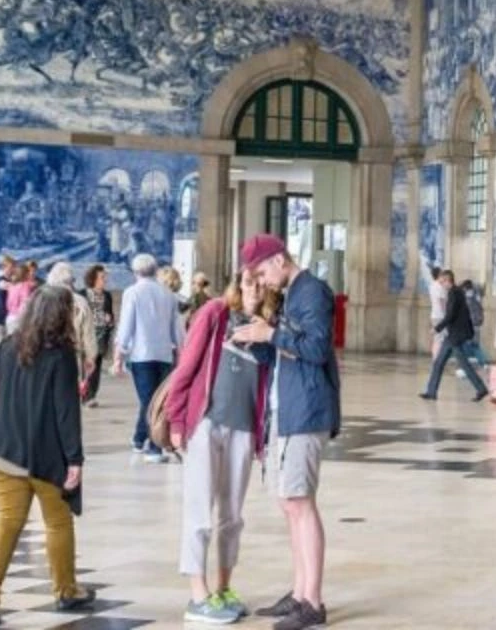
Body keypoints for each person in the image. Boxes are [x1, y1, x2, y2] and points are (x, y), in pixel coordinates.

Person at [231, 233, 340, 630]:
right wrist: (252, 322)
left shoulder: (312, 291)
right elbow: (274, 355)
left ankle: (312, 601)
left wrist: (271, 333)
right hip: (287, 407)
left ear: (279, 260)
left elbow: (316, 349)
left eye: (262, 272)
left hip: (307, 409)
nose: (262, 281)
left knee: (300, 502)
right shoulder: (292, 293)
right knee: (289, 502)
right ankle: (299, 593)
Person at [0, 285, 95, 628]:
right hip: (47, 458)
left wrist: (15, 397)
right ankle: (65, 592)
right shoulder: (61, 355)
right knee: (57, 523)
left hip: (4, 452)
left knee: (7, 524)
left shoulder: (10, 344)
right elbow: (66, 413)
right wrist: (75, 461)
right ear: (63, 315)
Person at [165, 269, 278, 625]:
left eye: (261, 283)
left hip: (243, 429)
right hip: (205, 424)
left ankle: (223, 587)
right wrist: (177, 419)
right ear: (237, 281)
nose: (254, 288)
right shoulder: (215, 313)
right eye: (248, 280)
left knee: (232, 516)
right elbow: (187, 367)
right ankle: (197, 595)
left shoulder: (267, 327)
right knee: (199, 510)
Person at [115, 252, 184, 462]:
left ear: (135, 272)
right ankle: (139, 439)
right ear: (155, 270)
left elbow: (126, 326)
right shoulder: (168, 294)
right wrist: (181, 354)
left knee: (150, 401)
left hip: (141, 355)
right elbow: (177, 329)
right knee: (156, 401)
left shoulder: (132, 293)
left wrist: (119, 355)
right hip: (164, 354)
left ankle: (154, 448)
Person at [419, 268, 487, 401]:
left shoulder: (453, 293)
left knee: (460, 364)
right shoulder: (457, 292)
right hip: (454, 335)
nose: (441, 284)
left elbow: (450, 315)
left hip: (455, 336)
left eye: (442, 282)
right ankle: (431, 392)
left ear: (447, 281)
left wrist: (436, 329)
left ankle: (481, 389)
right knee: (440, 362)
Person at [46, 264, 97, 397]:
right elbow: (88, 334)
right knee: (68, 397)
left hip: (44, 355)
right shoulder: (81, 302)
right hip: (71, 355)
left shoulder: (41, 300)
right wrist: (91, 357)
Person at [82, 265, 114, 406]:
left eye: (105, 277)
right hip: (86, 334)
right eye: (102, 277)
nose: (105, 280)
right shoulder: (83, 294)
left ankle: (91, 395)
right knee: (84, 366)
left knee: (96, 366)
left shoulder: (107, 295)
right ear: (93, 278)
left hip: (101, 334)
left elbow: (110, 313)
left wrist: (110, 319)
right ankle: (83, 393)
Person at [4, 260, 38, 336]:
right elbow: (25, 303)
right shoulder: (25, 286)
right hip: (20, 318)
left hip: (10, 316)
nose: (31, 273)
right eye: (29, 272)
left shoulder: (12, 285)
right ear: (26, 274)